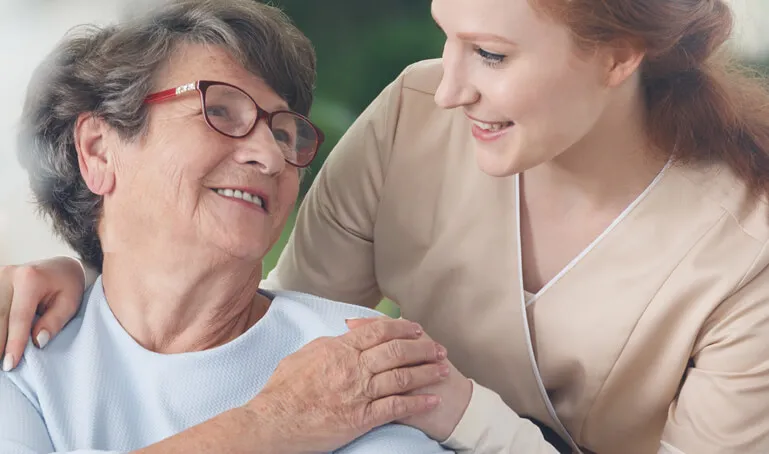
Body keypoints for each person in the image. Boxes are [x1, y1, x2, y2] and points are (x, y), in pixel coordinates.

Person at [3, 0, 769, 452]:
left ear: (618, 56)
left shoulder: (743, 258)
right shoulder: (413, 115)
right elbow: (254, 320)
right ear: (97, 148)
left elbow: (306, 384)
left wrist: (290, 422)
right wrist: (94, 268)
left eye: (492, 53)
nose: (448, 88)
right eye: (448, 35)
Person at [0, 1, 462, 453]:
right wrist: (274, 422)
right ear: (99, 150)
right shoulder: (22, 351)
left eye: (284, 133)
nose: (270, 155)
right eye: (219, 110)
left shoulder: (358, 364)